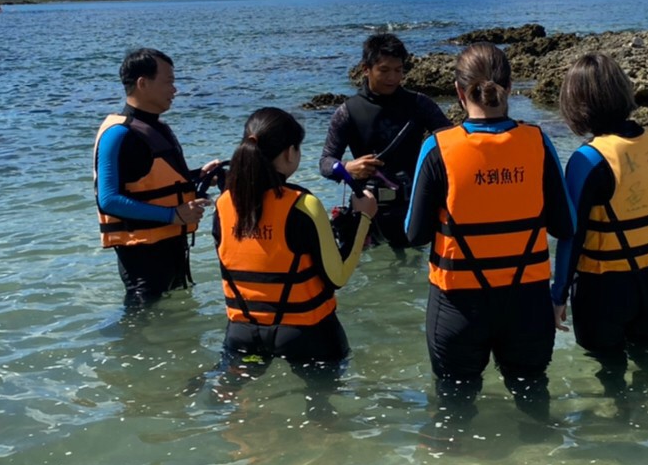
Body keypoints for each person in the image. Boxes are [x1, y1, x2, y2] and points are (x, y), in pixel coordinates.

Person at [404, 43, 574, 408]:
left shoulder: (437, 148)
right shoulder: (538, 142)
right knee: (533, 400)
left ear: (459, 92)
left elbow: (414, 234)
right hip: (527, 304)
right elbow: (565, 225)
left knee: (454, 409)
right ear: (510, 88)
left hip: (458, 307)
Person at [554, 53, 648, 389]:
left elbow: (572, 237)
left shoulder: (587, 159)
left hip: (604, 294)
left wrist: (558, 296)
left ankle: (620, 437)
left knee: (610, 378)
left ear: (577, 103)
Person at [214, 108, 377, 369]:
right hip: (306, 335)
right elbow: (339, 276)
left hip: (242, 335)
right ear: (290, 152)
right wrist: (364, 218)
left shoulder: (223, 204)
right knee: (323, 406)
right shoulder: (304, 205)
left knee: (244, 408)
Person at [94, 48, 210, 307]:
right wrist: (173, 215)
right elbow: (109, 200)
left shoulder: (156, 128)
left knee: (177, 328)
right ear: (142, 84)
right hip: (142, 257)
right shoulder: (118, 134)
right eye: (168, 81)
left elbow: (153, 179)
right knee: (141, 323)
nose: (175, 89)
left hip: (172, 247)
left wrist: (199, 176)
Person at [319, 33, 450, 252]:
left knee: (410, 274)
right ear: (366, 69)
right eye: (384, 70)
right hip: (367, 208)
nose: (393, 77)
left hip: (412, 207)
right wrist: (348, 168)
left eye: (398, 70)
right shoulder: (348, 112)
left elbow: (452, 142)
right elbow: (325, 162)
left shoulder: (419, 104)